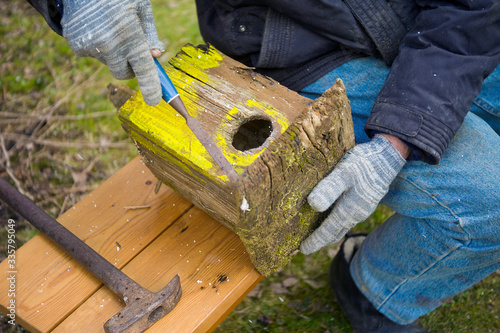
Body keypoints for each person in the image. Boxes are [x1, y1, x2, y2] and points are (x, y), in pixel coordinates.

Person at [29, 0, 500, 331]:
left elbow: (471, 10)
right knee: (491, 198)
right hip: (297, 52)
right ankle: (373, 287)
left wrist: (395, 143)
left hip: (437, 20)